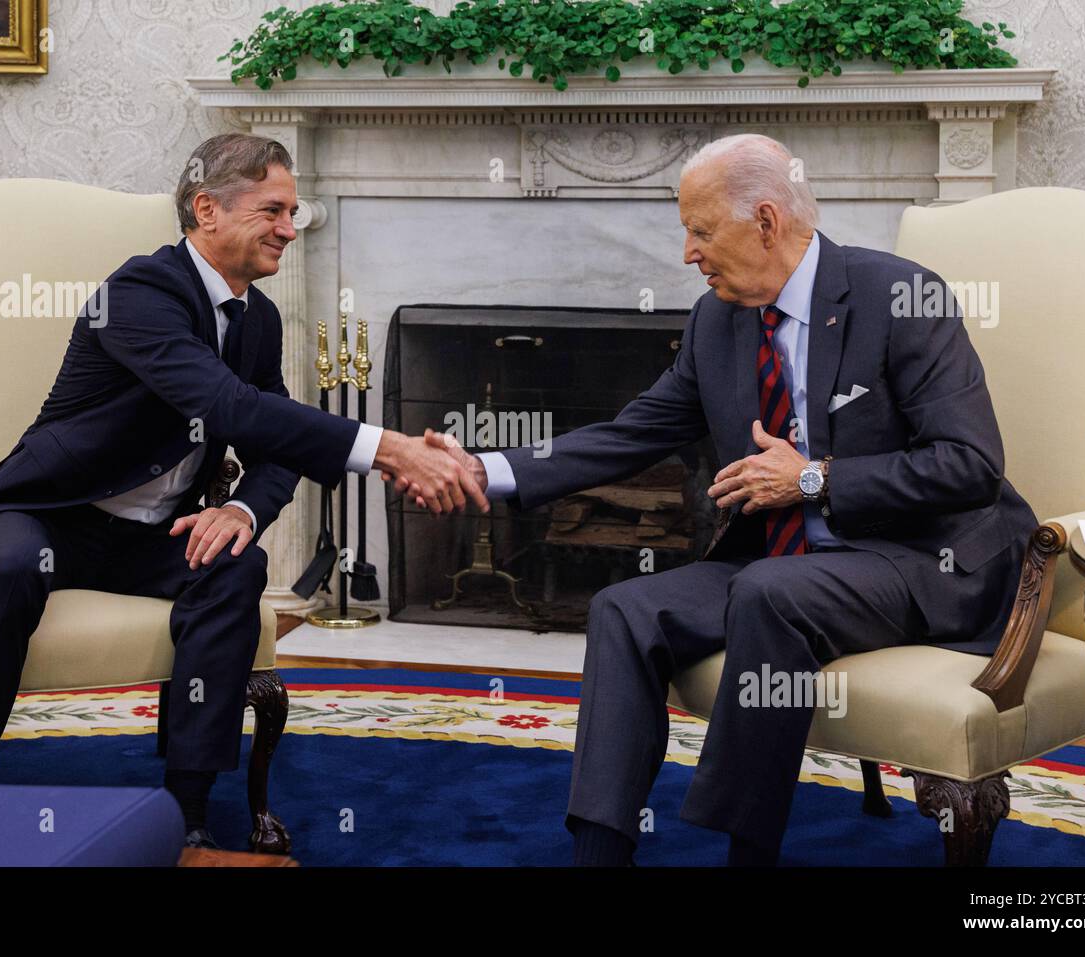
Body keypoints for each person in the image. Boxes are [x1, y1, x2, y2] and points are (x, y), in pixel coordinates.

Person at [413, 133, 1037, 866]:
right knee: (624, 608)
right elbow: (630, 432)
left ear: (766, 221)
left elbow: (970, 465)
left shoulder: (901, 297)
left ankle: (744, 852)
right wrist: (488, 470)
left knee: (773, 592)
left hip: (920, 558)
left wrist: (814, 478)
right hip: (793, 568)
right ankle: (599, 853)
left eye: (701, 230)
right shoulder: (719, 320)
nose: (687, 252)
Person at [0, 133, 487, 848]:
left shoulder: (257, 316)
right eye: (274, 211)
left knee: (236, 565)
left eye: (295, 211)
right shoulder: (139, 292)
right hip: (46, 515)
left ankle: (186, 810)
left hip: (149, 535)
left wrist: (242, 507)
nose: (292, 228)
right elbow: (227, 405)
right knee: (9, 568)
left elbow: (273, 443)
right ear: (207, 209)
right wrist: (387, 448)